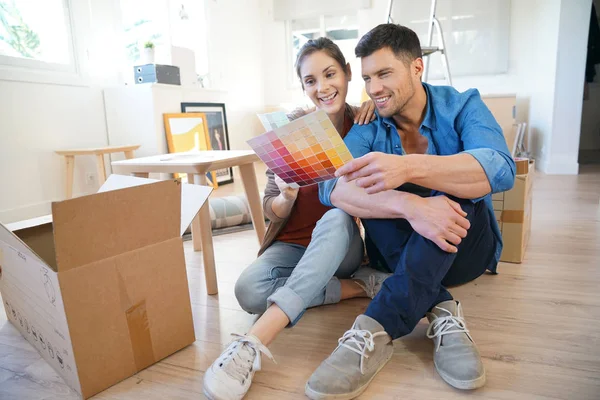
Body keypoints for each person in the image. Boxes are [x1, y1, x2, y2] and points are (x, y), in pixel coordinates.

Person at [305, 24, 516, 399]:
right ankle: (444, 313)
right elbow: (332, 186)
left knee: (456, 183)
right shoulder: (370, 124)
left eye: (384, 74)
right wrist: (409, 203)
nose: (374, 88)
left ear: (417, 68)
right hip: (398, 254)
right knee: (372, 181)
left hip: (465, 248)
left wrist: (409, 168)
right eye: (368, 77)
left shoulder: (463, 104)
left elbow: (500, 167)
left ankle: (374, 328)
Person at [202, 37, 387, 400]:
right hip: (291, 245)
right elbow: (271, 205)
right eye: (310, 81)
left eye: (330, 74)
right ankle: (358, 287)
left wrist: (372, 106)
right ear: (303, 86)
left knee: (335, 218)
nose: (322, 87)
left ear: (348, 73)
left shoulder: (365, 123)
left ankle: (254, 342)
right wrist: (286, 195)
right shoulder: (291, 128)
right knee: (248, 291)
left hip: (341, 243)